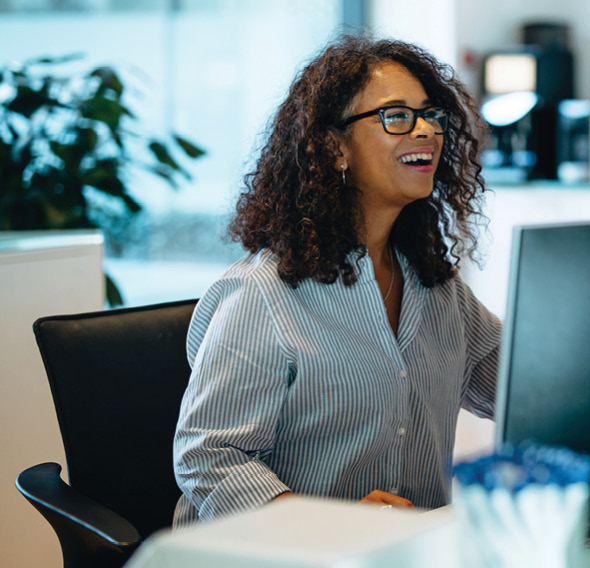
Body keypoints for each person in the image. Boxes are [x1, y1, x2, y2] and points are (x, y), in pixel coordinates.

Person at [172, 34, 500, 526]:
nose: (426, 131)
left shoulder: (438, 289)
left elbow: (524, 389)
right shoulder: (264, 294)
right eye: (396, 116)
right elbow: (209, 457)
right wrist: (329, 526)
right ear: (333, 147)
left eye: (431, 114)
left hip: (409, 553)